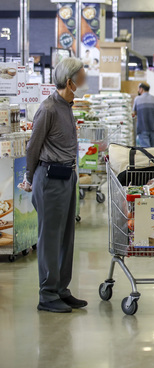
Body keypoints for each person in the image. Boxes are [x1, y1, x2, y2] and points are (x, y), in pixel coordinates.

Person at [21, 58, 87, 313]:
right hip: (49, 179)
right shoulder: (48, 109)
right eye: (81, 78)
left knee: (65, 237)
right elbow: (32, 147)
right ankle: (47, 295)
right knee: (49, 238)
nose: (84, 83)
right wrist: (28, 178)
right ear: (69, 81)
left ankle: (61, 289)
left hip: (67, 177)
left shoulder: (67, 106)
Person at [133, 82, 154, 147]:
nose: (138, 90)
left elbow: (133, 113)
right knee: (153, 149)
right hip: (153, 127)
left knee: (146, 149)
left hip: (142, 128)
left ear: (141, 89)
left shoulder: (137, 99)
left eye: (139, 89)